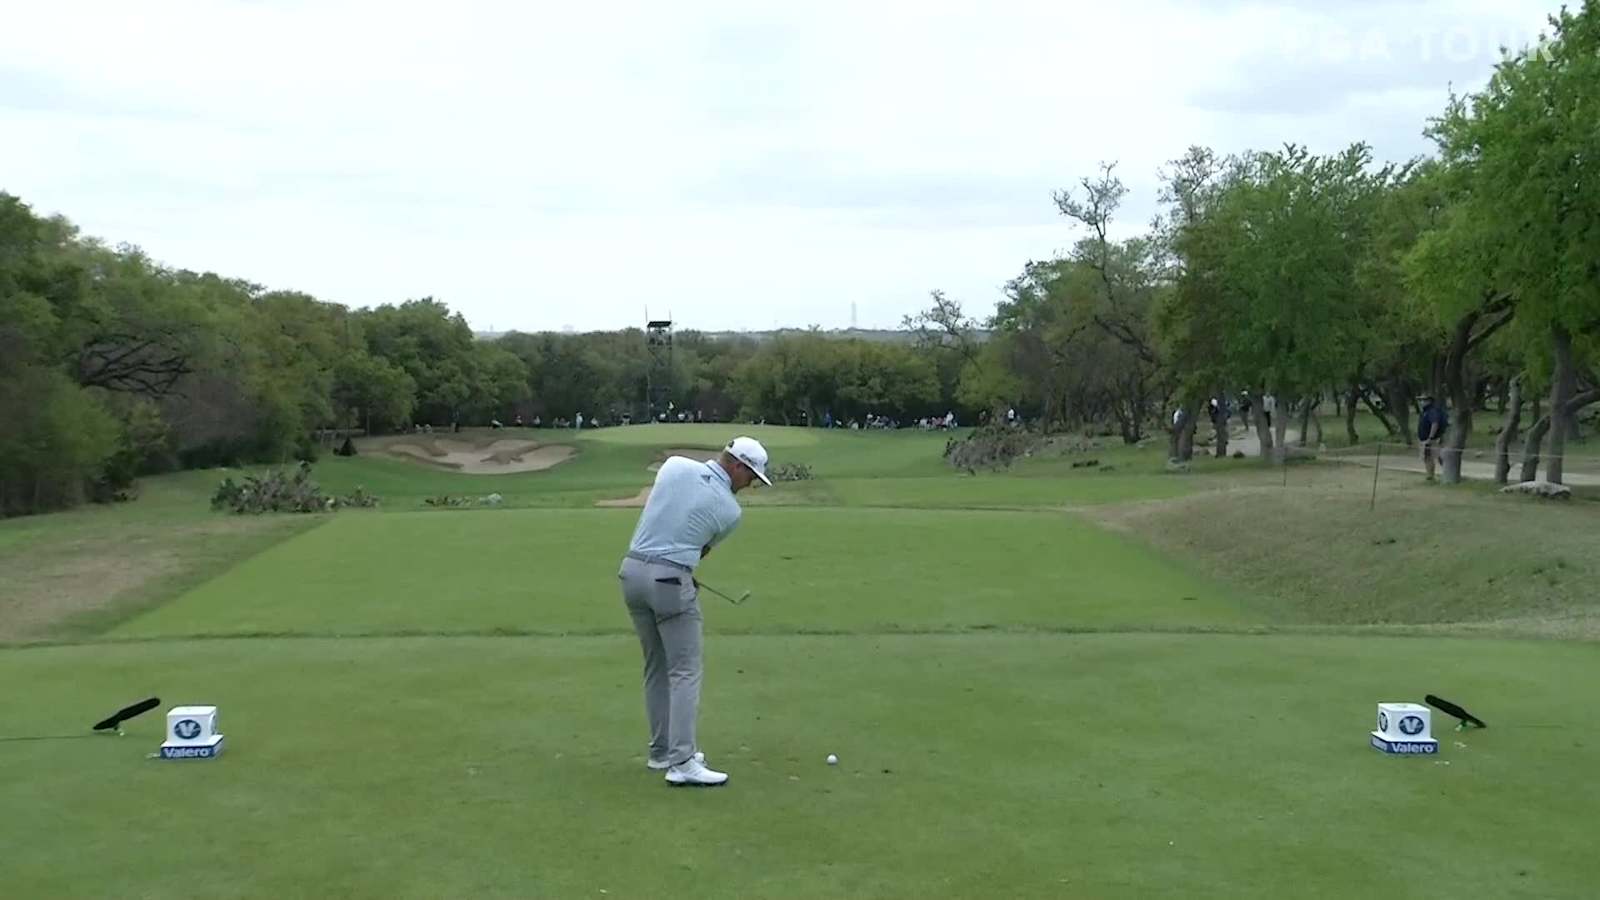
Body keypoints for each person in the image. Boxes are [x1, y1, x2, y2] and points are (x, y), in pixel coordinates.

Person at [617, 436, 771, 786]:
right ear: (736, 465)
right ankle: (683, 761)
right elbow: (699, 550)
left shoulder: (674, 465)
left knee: (656, 666)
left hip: (631, 573)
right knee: (684, 671)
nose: (750, 486)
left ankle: (661, 753)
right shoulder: (730, 511)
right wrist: (680, 573)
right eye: (751, 477)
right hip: (670, 582)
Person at [1418, 394, 1448, 481]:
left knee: (1440, 456)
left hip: (1433, 439)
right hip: (1425, 439)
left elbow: (1435, 424)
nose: (1422, 402)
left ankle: (1447, 473)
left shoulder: (1432, 411)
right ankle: (1430, 476)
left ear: (1429, 401)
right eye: (1421, 400)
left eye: (1424, 400)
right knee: (1427, 457)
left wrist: (1430, 437)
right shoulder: (1425, 411)